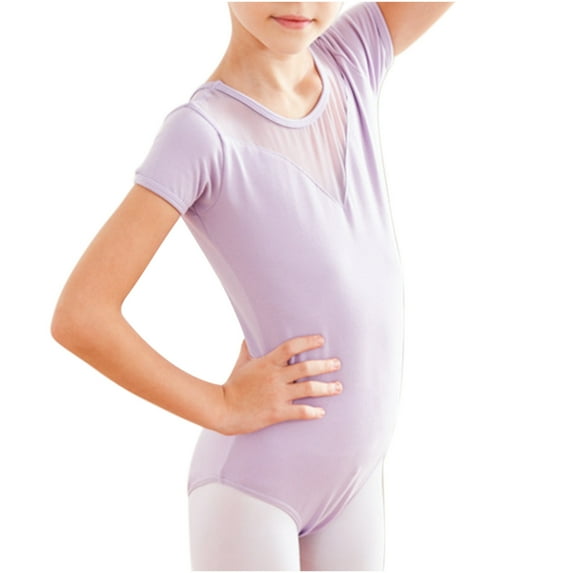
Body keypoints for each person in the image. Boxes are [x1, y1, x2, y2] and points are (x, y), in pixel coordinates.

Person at [51, 2, 453, 570]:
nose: (299, 5)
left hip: (356, 481)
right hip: (255, 489)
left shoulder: (353, 59)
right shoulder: (202, 133)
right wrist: (219, 405)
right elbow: (82, 314)